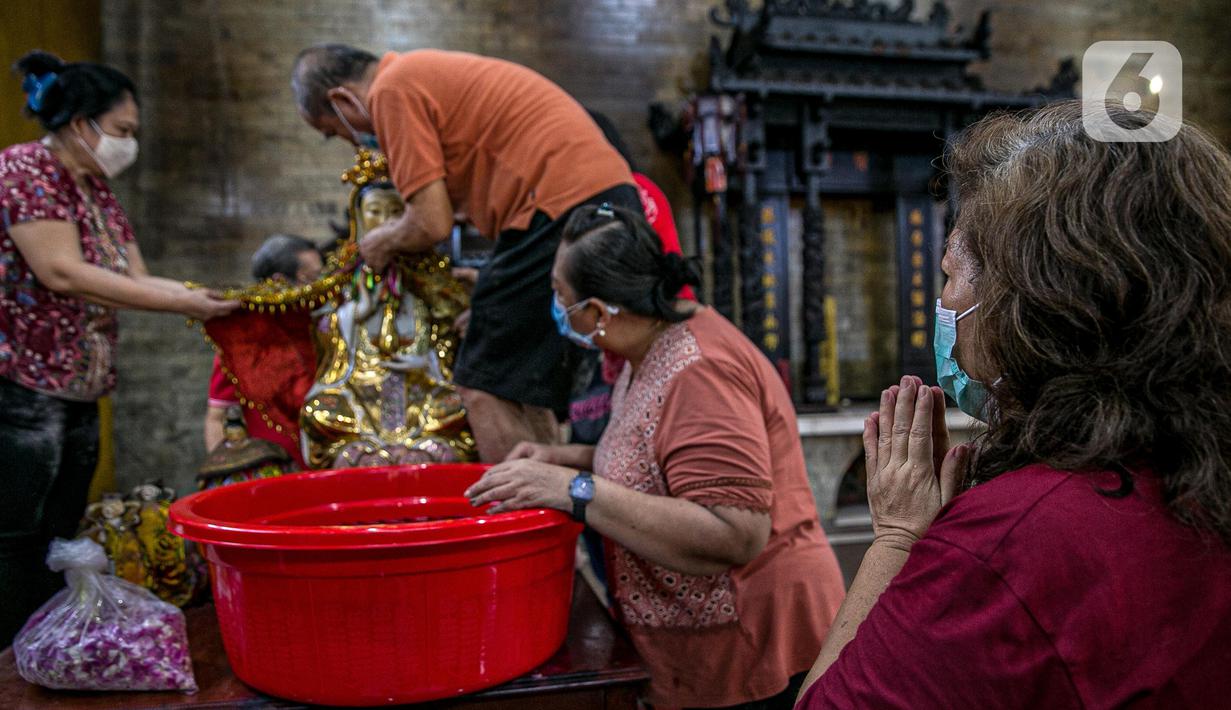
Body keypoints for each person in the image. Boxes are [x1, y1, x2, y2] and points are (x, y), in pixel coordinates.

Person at [797, 101, 1231, 707]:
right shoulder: (1200, 471)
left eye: (950, 274)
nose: (944, 304)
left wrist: (898, 540)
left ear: (1026, 302)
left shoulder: (1007, 547)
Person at [465, 205, 846, 709]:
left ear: (599, 313)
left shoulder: (702, 371)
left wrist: (574, 490)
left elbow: (737, 529)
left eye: (560, 296)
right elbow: (653, 455)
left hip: (751, 638)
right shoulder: (647, 349)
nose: (555, 308)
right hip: (695, 640)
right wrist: (564, 457)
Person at [291, 44, 640, 461]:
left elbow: (430, 222)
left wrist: (380, 241)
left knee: (480, 382)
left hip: (557, 204)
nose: (352, 144)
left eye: (334, 131)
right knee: (518, 382)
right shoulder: (421, 74)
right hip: (592, 198)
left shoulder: (391, 90)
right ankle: (553, 508)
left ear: (342, 100)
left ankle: (518, 517)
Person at [0, 51, 237, 645]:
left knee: (59, 526)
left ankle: (47, 644)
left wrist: (211, 297)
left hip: (78, 387)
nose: (127, 145)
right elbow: (62, 272)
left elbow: (134, 278)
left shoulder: (95, 188)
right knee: (15, 533)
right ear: (82, 123)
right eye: (122, 131)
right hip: (22, 387)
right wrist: (187, 304)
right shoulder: (27, 170)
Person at [203, 233, 322, 457]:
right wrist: (224, 472)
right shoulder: (242, 343)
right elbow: (216, 418)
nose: (321, 287)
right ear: (279, 281)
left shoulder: (324, 328)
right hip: (273, 470)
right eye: (312, 279)